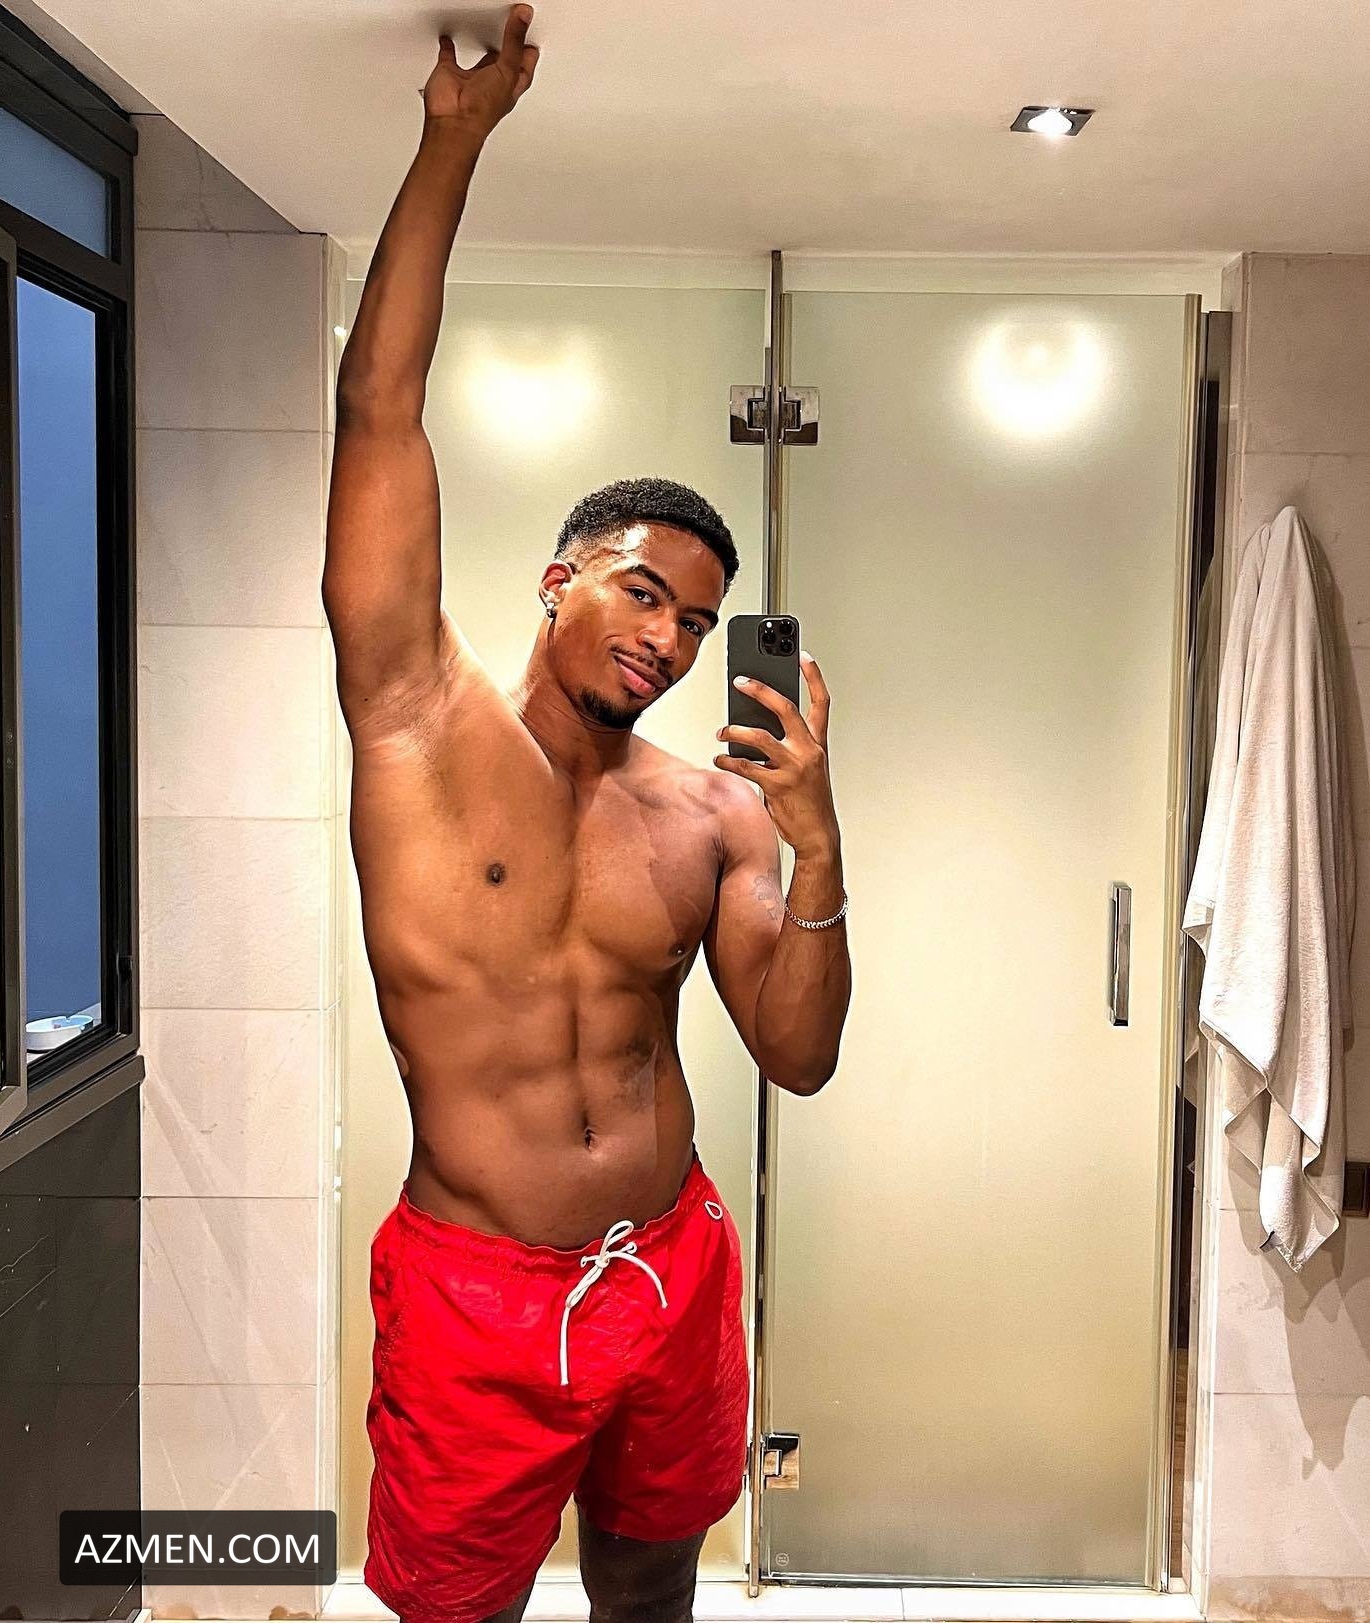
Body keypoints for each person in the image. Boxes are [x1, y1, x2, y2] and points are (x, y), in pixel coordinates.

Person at [323, 7, 852, 1620]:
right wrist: (455, 139)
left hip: (669, 1269)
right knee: (457, 1608)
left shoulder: (711, 815)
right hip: (475, 1295)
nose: (669, 639)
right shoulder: (417, 720)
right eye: (641, 592)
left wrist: (817, 844)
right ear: (559, 578)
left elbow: (800, 1056)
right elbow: (379, 412)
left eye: (696, 623)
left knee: (652, 1588)